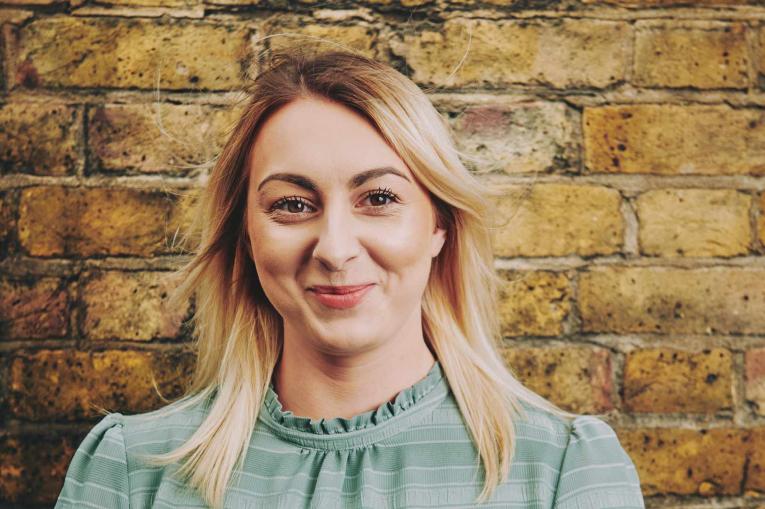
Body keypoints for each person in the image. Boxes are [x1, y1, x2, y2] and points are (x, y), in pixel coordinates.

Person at [54, 47, 645, 509]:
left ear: (439, 224)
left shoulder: (565, 469)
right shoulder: (133, 468)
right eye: (290, 203)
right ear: (246, 236)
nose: (335, 249)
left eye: (379, 197)